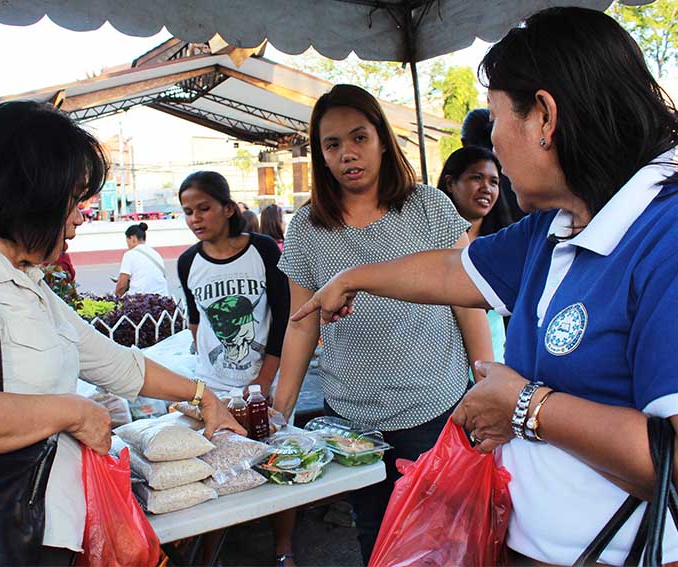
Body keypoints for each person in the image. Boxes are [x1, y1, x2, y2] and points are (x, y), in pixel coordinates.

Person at [293, 8, 678, 565]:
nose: (491, 143)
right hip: (524, 541)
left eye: (495, 119)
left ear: (544, 117)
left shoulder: (662, 235)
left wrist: (525, 407)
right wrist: (350, 278)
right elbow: (454, 271)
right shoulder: (558, 223)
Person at [0, 101, 244, 563]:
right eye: (73, 197)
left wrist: (203, 397)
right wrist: (72, 412)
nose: (80, 215)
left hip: (45, 529)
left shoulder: (22, 279)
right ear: (28, 191)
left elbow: (115, 362)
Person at [272, 83, 493, 564]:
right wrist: (278, 412)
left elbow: (468, 301)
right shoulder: (307, 226)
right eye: (332, 145)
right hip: (352, 422)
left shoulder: (428, 207)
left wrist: (485, 383)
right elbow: (301, 324)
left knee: (441, 535)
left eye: (359, 138)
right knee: (376, 535)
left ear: (381, 139)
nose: (347, 154)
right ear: (321, 156)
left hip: (434, 407)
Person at [176, 171, 296, 567]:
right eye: (188, 211)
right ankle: (213, 549)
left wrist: (264, 381)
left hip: (265, 381)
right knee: (217, 465)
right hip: (214, 387)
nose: (195, 218)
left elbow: (282, 319)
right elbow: (197, 323)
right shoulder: (188, 262)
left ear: (228, 208)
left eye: (204, 208)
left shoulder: (263, 251)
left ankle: (283, 548)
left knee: (279, 460)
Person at [438, 146, 513, 361]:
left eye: (494, 182)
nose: (486, 188)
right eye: (476, 178)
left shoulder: (506, 244)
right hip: (443, 366)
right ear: (451, 183)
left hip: (494, 361)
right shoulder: (430, 244)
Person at [461, 107, 525, 222]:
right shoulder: (521, 177)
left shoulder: (459, 185)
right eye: (477, 178)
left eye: (493, 182)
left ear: (464, 143)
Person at [115, 222, 169, 296]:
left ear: (133, 238)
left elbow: (121, 285)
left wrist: (116, 297)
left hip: (140, 300)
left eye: (127, 241)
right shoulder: (156, 254)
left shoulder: (130, 255)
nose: (127, 245)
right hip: (162, 299)